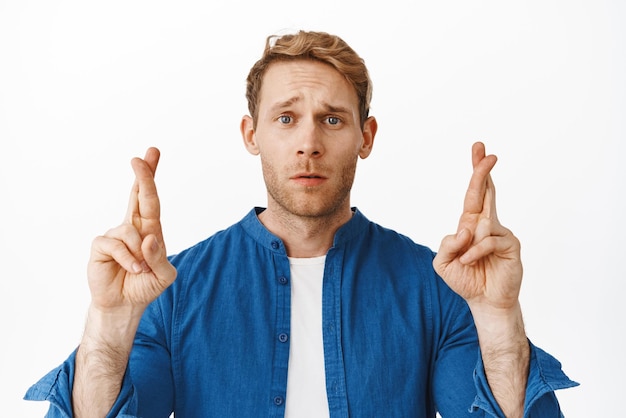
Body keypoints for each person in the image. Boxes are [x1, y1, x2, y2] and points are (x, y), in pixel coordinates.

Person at [25, 30, 577, 418]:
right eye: (286, 118)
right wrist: (109, 321)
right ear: (251, 134)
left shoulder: (437, 285)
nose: (309, 142)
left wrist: (500, 317)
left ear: (366, 137)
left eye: (331, 119)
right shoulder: (172, 288)